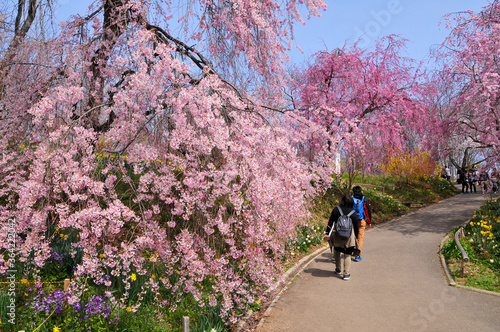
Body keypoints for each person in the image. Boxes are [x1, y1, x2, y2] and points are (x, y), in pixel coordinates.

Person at [324, 195, 360, 280]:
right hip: (349, 236)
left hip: (337, 234)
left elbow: (330, 222)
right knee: (347, 254)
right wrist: (356, 237)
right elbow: (356, 227)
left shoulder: (336, 210)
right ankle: (346, 274)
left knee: (337, 250)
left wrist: (327, 233)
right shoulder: (353, 213)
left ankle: (338, 269)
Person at [351, 185, 372, 262]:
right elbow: (367, 211)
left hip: (352, 220)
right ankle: (358, 255)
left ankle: (352, 250)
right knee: (360, 237)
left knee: (353, 235)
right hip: (361, 220)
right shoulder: (364, 199)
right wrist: (369, 222)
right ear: (361, 191)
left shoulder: (351, 198)